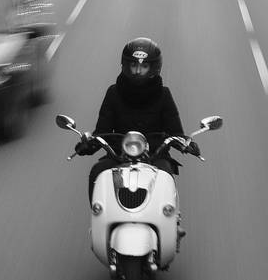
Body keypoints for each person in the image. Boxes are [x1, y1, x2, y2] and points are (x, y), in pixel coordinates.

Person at [75, 37, 199, 200]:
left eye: (144, 66)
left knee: (166, 174)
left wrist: (187, 144)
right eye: (134, 65)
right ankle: (99, 213)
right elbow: (102, 131)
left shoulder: (164, 95)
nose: (138, 71)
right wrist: (88, 145)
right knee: (97, 171)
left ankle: (170, 214)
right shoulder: (113, 93)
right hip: (118, 156)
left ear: (153, 68)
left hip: (155, 156)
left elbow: (176, 132)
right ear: (126, 66)